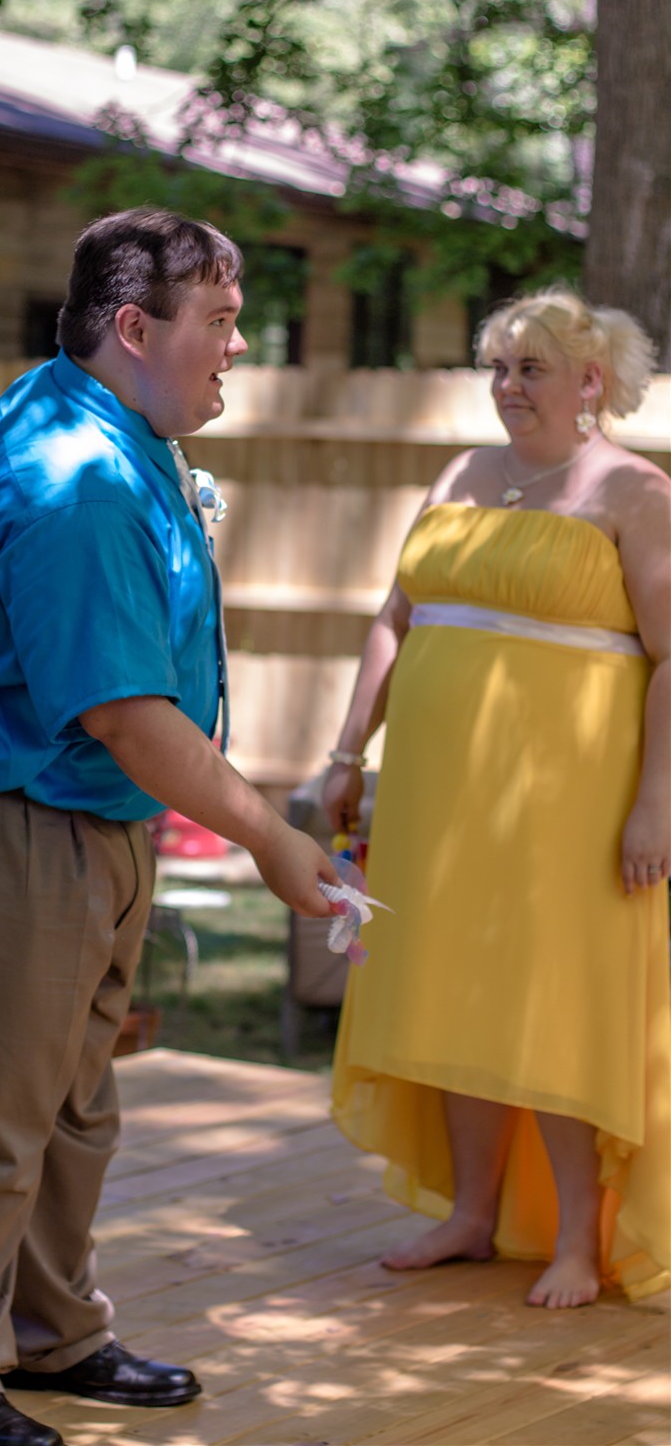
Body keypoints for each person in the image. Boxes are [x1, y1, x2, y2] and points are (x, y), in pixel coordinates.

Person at [0, 206, 338, 1446]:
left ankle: (51, 1332)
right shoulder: (78, 479)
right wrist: (272, 838)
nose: (238, 346)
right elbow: (125, 715)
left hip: (73, 813)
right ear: (134, 328)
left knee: (69, 1106)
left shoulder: (106, 416)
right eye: (219, 320)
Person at [323, 287, 670, 1311]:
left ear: (589, 381)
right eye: (499, 368)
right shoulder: (462, 474)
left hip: (570, 800)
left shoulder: (633, 491)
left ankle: (577, 1239)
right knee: (451, 987)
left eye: (530, 369)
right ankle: (471, 1214)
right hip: (438, 793)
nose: (507, 387)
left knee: (551, 998)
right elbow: (394, 619)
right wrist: (347, 751)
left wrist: (656, 801)